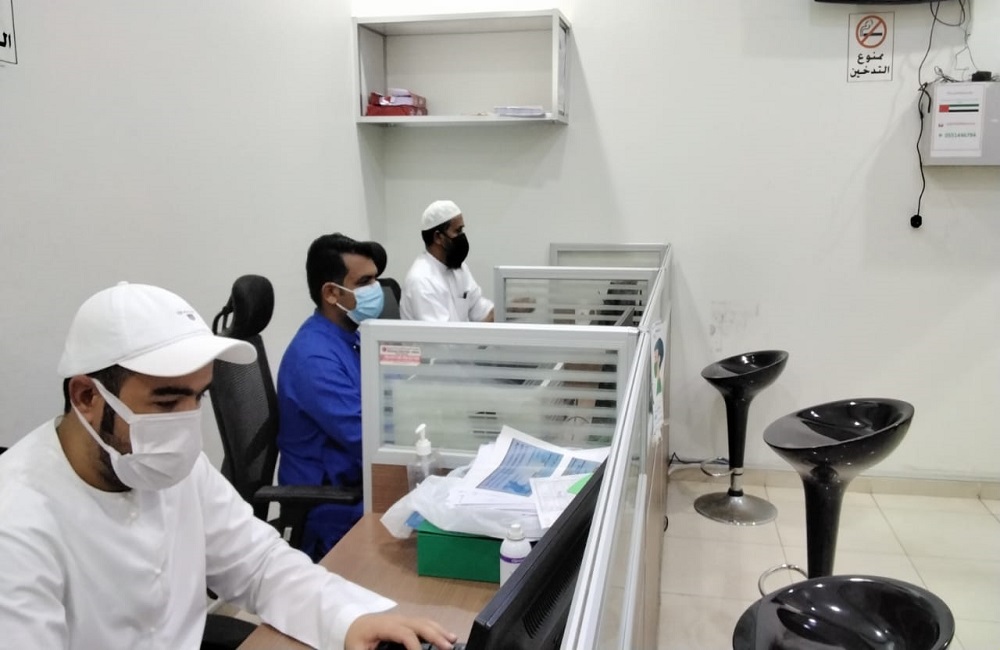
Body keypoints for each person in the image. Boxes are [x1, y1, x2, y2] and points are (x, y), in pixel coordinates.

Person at [0, 281, 455, 650]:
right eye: (167, 401)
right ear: (86, 396)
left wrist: (350, 619)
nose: (185, 422)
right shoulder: (16, 523)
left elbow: (259, 564)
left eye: (197, 397)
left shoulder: (170, 465)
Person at [277, 233, 385, 560]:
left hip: (358, 486)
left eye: (375, 279)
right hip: (333, 507)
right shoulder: (315, 359)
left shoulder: (348, 339)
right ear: (331, 293)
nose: (376, 289)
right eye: (364, 282)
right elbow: (369, 439)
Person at [400, 199, 495, 323]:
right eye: (458, 231)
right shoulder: (421, 280)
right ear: (438, 237)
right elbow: (442, 334)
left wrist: (510, 308)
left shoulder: (459, 268)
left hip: (462, 336)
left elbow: (479, 309)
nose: (462, 236)